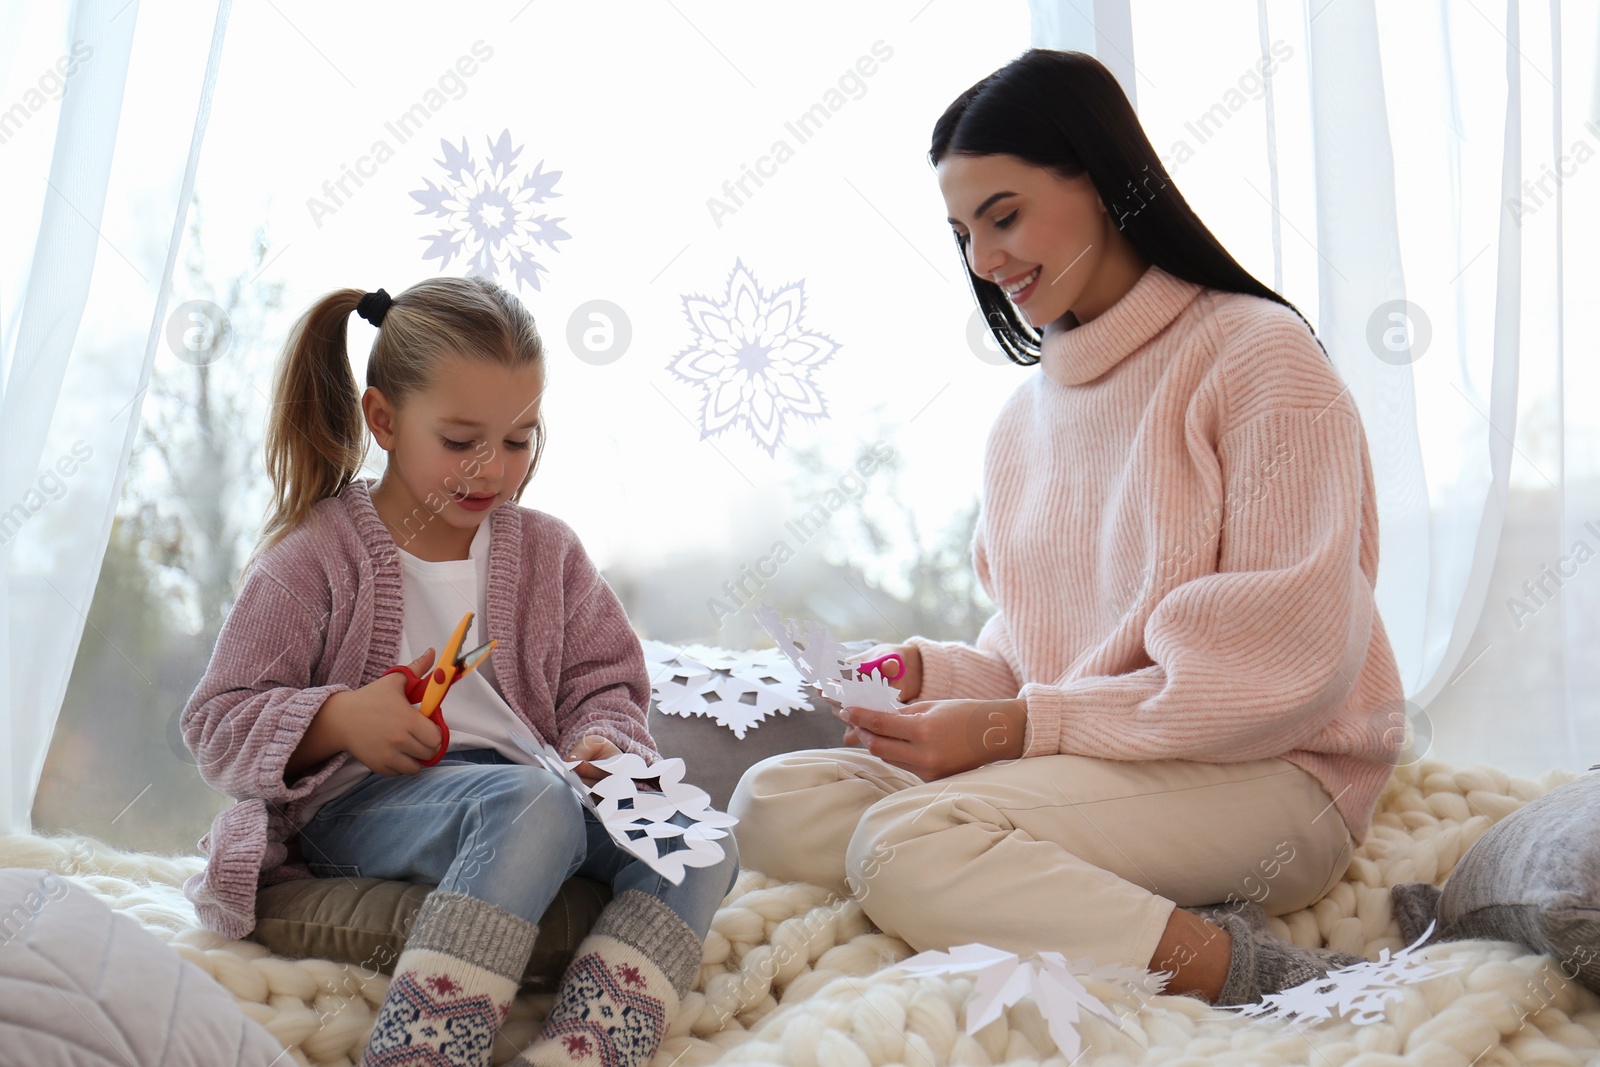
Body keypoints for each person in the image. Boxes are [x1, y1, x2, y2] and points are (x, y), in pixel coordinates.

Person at [729, 48, 1405, 1007]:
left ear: (1101, 181)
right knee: (775, 801)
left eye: (1003, 216)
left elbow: (1279, 672)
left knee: (903, 845)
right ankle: (1073, 891)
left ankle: (1266, 975)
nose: (983, 260)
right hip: (1108, 764)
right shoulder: (1021, 423)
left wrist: (1013, 728)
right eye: (963, 232)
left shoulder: (1257, 356)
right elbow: (1040, 653)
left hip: (1273, 773)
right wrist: (928, 675)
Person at [180, 276, 738, 1067]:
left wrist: (603, 743)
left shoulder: (550, 553)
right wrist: (339, 721)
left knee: (700, 839)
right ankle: (423, 1051)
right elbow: (216, 723)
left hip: (542, 790)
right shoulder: (312, 558)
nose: (492, 469)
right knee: (530, 804)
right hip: (365, 808)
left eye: (518, 440)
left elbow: (607, 683)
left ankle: (587, 1049)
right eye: (460, 440)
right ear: (384, 419)